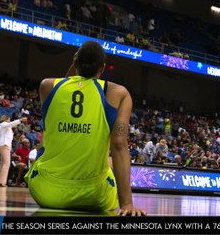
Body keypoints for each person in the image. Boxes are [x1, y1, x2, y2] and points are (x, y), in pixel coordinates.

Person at [25, 41, 146, 216]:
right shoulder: (119, 93)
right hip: (94, 197)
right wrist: (126, 204)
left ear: (75, 62)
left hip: (45, 192)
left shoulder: (47, 86)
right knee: (108, 163)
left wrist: (76, 63)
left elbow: (66, 83)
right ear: (102, 68)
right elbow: (119, 145)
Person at [0, 115, 27, 187]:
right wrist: (20, 120)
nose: (9, 120)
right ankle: (2, 182)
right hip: (4, 145)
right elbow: (10, 124)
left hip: (3, 145)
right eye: (9, 119)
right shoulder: (3, 124)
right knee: (6, 164)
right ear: (6, 119)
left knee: (2, 163)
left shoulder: (6, 127)